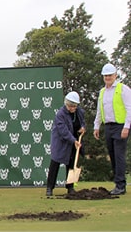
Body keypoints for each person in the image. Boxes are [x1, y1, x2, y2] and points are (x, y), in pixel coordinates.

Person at [93, 63, 131, 195]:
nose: (108, 78)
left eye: (110, 75)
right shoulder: (102, 92)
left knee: (119, 155)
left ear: (115, 75)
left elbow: (129, 108)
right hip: (108, 126)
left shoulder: (123, 89)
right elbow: (99, 110)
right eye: (105, 76)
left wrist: (127, 127)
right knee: (112, 156)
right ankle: (118, 183)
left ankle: (120, 185)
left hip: (120, 126)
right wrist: (96, 126)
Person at [46, 91, 85, 196]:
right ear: (66, 104)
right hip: (61, 142)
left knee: (71, 164)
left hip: (74, 142)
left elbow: (82, 123)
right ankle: (50, 188)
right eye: (70, 106)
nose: (72, 108)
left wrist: (82, 128)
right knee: (55, 164)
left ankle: (70, 187)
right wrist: (73, 140)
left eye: (74, 106)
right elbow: (63, 131)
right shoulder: (60, 114)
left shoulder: (79, 112)